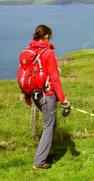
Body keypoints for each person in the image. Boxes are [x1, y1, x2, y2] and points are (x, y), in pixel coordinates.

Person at [23, 24, 69, 170]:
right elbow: (54, 78)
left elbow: (25, 73)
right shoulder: (48, 52)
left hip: (34, 94)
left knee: (51, 122)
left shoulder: (30, 51)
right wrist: (63, 99)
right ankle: (39, 162)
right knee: (49, 126)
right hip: (47, 94)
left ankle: (46, 150)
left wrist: (27, 96)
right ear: (47, 36)